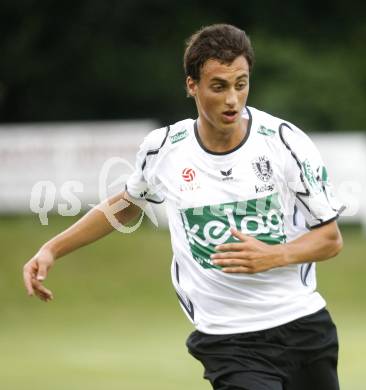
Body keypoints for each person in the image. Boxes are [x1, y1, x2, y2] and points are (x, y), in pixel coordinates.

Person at [23, 24, 345, 390]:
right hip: (229, 340)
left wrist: (275, 256)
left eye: (241, 84)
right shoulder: (165, 150)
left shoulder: (284, 142)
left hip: (302, 326)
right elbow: (127, 206)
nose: (233, 101)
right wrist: (51, 249)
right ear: (192, 85)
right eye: (219, 86)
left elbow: (330, 239)